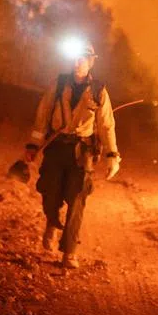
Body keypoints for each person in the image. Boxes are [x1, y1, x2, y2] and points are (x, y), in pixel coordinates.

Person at [24, 40, 121, 269]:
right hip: (57, 147)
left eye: (83, 59)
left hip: (81, 153)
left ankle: (69, 251)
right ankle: (51, 220)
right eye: (75, 58)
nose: (78, 62)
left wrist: (112, 155)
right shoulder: (59, 84)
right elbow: (43, 114)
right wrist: (33, 144)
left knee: (77, 200)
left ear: (90, 63)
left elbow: (107, 125)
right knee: (50, 191)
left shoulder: (98, 91)